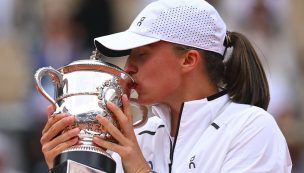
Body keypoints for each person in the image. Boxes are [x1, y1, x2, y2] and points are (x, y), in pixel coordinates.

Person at [40, 0, 293, 172]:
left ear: (188, 59)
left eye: (141, 55)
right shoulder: (137, 138)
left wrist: (139, 169)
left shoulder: (252, 129)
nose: (127, 68)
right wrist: (67, 162)